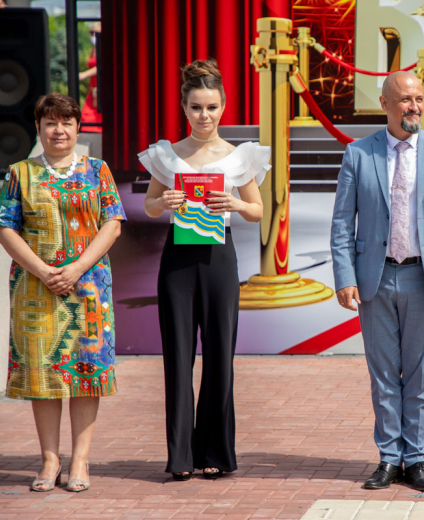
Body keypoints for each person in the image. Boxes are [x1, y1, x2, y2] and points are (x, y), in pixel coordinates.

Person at [330, 71, 424, 491]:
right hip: (374, 279)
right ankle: (389, 458)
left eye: (418, 99)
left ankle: (416, 459)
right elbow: (342, 222)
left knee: (420, 375)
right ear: (385, 104)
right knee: (383, 375)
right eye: (405, 100)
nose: (414, 107)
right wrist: (344, 276)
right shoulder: (358, 153)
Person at [139, 59, 268, 481]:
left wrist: (236, 203)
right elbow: (149, 205)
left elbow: (257, 210)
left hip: (219, 259)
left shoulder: (239, 156)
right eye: (196, 107)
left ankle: (214, 451)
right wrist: (163, 203)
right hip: (177, 260)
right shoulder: (167, 155)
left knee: (219, 357)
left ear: (223, 106)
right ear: (184, 107)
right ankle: (180, 457)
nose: (204, 116)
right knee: (178, 358)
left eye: (211, 107)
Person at [0, 93, 126, 493]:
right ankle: (50, 460)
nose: (59, 130)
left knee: (87, 373)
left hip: (88, 288)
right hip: (36, 289)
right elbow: (5, 229)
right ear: (38, 128)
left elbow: (113, 224)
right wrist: (44, 271)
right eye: (50, 122)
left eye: (66, 122)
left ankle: (80, 460)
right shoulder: (20, 173)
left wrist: (76, 268)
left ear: (78, 128)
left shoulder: (97, 170)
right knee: (43, 373)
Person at [79, 22, 102, 133]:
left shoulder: (104, 48)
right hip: (93, 90)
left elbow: (101, 66)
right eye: (91, 33)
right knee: (86, 119)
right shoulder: (94, 49)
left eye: (96, 33)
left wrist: (84, 74)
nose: (93, 35)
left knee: (93, 121)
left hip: (102, 90)